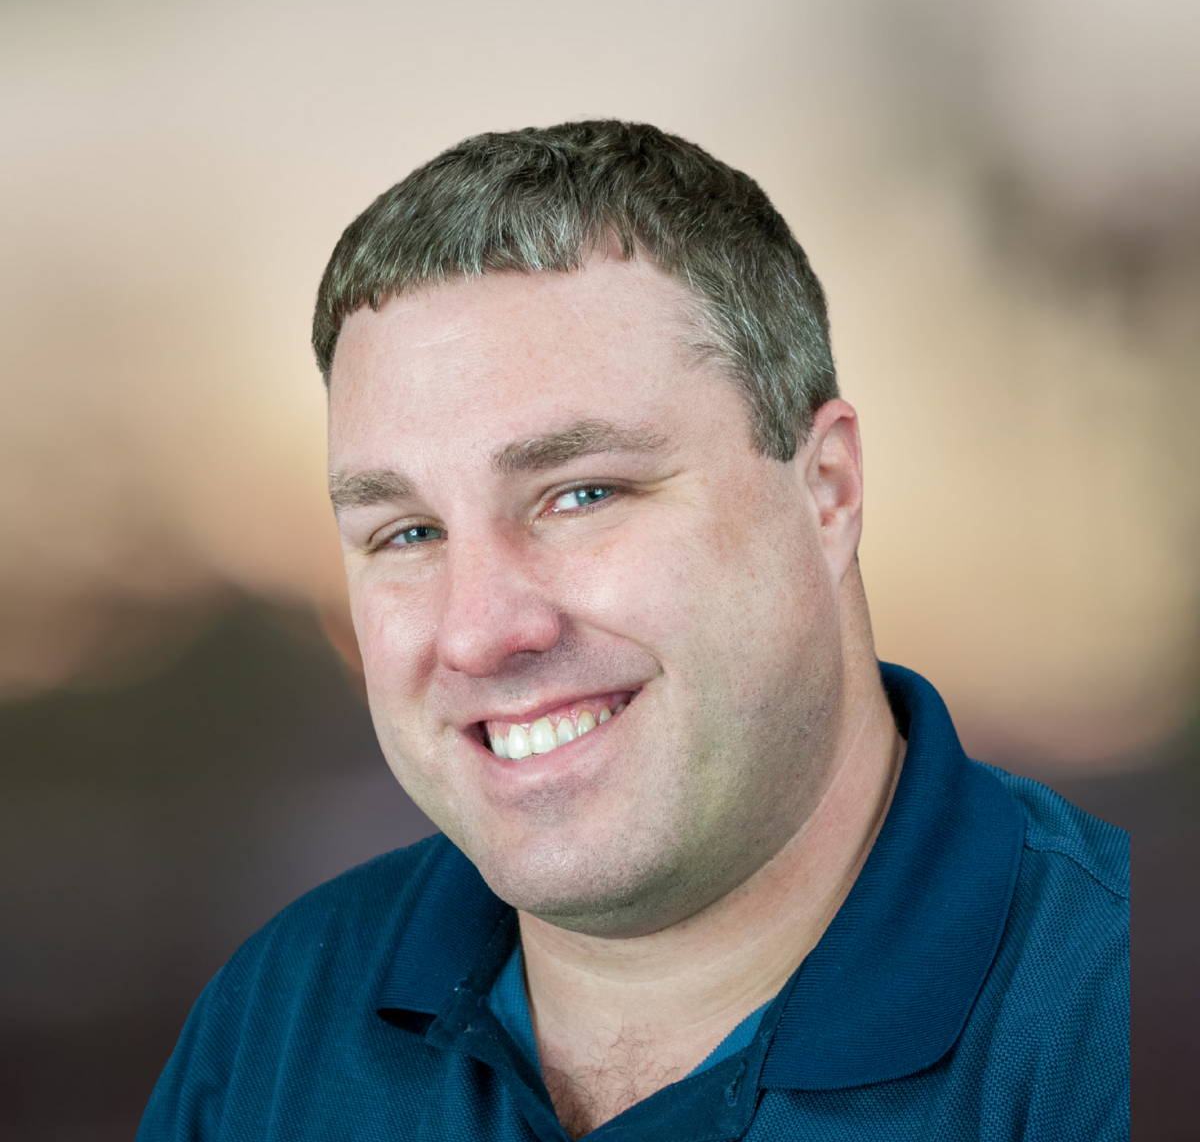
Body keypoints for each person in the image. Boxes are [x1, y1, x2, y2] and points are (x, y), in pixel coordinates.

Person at [138, 121, 1129, 1141]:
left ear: (826, 490)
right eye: (409, 531)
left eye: (583, 493)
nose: (479, 632)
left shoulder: (1123, 1024)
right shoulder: (277, 1026)